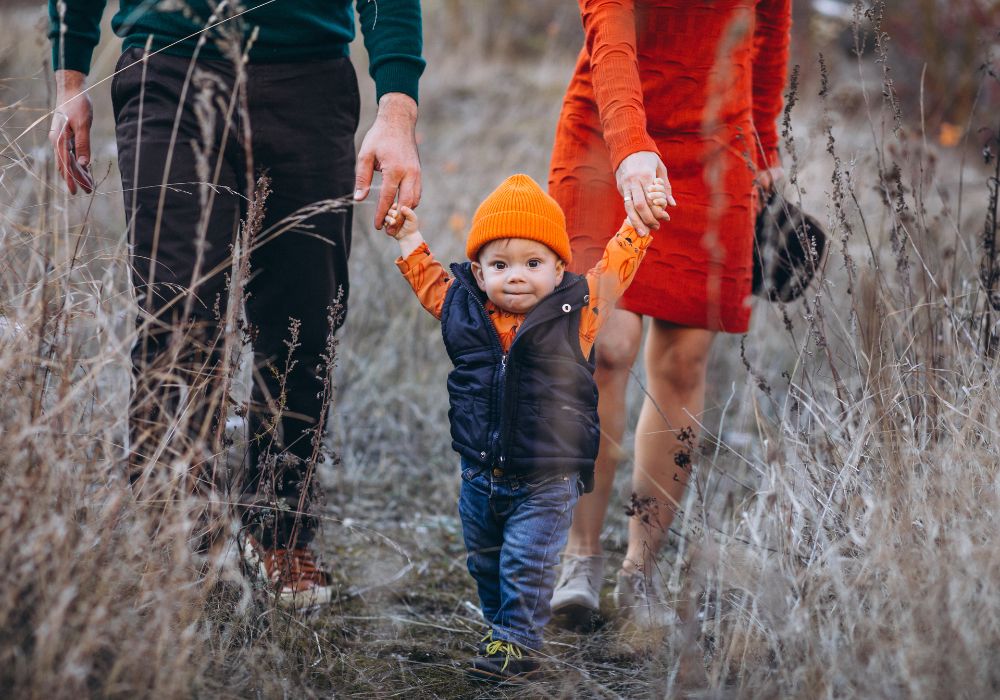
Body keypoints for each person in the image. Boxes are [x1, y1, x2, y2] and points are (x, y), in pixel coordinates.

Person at [48, 0, 424, 609]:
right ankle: (174, 535)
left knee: (305, 315)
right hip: (169, 65)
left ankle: (281, 531)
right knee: (177, 312)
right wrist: (69, 78)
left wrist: (397, 106)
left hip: (310, 75)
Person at [548, 0, 791, 629]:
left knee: (683, 361)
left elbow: (770, 27)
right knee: (603, 346)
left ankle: (641, 570)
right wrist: (631, 148)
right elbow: (610, 34)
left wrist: (764, 144)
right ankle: (580, 557)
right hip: (607, 135)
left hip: (717, 141)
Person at [382, 174, 665, 680]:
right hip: (478, 475)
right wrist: (408, 237)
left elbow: (617, 268)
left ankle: (518, 644)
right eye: (500, 265)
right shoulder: (462, 310)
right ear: (478, 270)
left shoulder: (577, 314)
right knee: (486, 563)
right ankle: (501, 633)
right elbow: (427, 278)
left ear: (559, 270)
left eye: (533, 264)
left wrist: (639, 223)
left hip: (546, 480)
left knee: (525, 565)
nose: (516, 276)